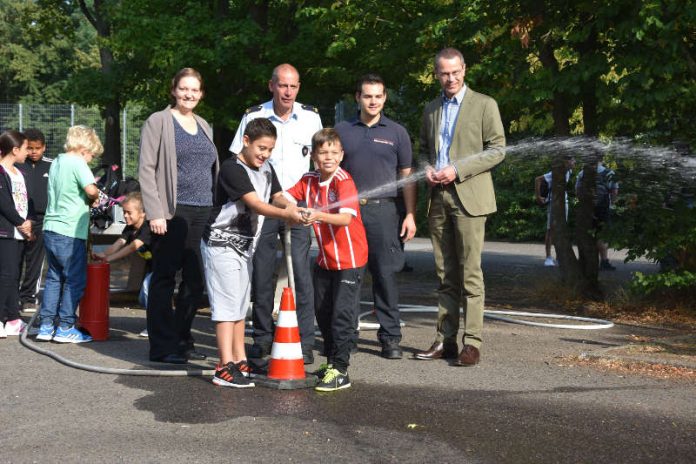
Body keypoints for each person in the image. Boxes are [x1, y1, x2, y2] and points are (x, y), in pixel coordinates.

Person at [414, 47, 506, 366]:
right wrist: (426, 168)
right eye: (444, 73)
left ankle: (473, 342)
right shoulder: (429, 109)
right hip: (438, 198)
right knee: (445, 274)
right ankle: (445, 340)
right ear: (436, 74)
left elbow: (498, 150)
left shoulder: (485, 104)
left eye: (455, 72)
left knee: (470, 274)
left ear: (464, 70)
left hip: (470, 197)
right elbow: (424, 150)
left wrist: (458, 169)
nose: (450, 78)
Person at [230, 63, 322, 364]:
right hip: (263, 206)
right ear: (272, 86)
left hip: (297, 207)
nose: (288, 92)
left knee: (301, 273)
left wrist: (309, 204)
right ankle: (263, 338)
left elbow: (321, 161)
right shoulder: (253, 116)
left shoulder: (311, 117)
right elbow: (237, 159)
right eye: (282, 85)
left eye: (293, 86)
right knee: (263, 273)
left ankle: (305, 341)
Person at [203, 118, 302, 388]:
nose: (265, 154)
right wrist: (287, 214)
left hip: (246, 246)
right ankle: (224, 366)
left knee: (238, 305)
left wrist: (294, 206)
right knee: (225, 307)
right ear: (245, 141)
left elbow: (277, 195)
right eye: (261, 148)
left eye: (270, 149)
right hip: (221, 244)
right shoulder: (232, 169)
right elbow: (255, 204)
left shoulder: (267, 168)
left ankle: (239, 359)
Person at [138, 67, 219, 364]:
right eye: (184, 89)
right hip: (172, 211)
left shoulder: (203, 124)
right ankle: (162, 346)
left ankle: (182, 338)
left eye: (195, 90)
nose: (189, 94)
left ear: (201, 94)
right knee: (164, 277)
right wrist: (155, 213)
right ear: (173, 90)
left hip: (201, 211)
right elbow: (146, 169)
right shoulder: (158, 121)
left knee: (195, 281)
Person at [335, 73, 416, 359]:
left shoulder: (397, 133)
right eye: (367, 95)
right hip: (350, 213)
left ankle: (390, 337)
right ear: (357, 97)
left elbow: (407, 177)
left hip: (385, 212)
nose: (373, 101)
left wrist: (410, 214)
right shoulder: (342, 130)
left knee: (385, 276)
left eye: (378, 95)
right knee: (349, 277)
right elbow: (331, 173)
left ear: (385, 98)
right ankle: (347, 337)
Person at [284, 128, 368, 391]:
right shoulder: (308, 179)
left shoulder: (344, 181)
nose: (328, 157)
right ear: (314, 157)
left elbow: (344, 219)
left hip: (350, 260)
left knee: (342, 314)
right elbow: (283, 196)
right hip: (325, 259)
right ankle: (331, 363)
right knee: (322, 311)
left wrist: (316, 215)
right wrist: (291, 208)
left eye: (333, 152)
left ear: (341, 155)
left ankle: (341, 371)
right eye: (323, 152)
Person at [36, 126, 102, 343]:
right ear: (85, 148)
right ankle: (65, 326)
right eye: (92, 155)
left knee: (54, 278)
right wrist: (95, 198)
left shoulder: (57, 161)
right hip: (70, 229)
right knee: (75, 279)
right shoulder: (78, 162)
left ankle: (46, 326)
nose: (91, 160)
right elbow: (92, 190)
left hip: (51, 226)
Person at [91, 192, 152, 335]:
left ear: (142, 213)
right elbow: (119, 243)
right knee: (144, 298)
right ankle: (162, 323)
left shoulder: (147, 227)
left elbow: (133, 246)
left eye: (129, 213)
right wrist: (104, 254)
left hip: (163, 267)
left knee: (149, 292)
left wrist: (109, 259)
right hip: (152, 267)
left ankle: (155, 326)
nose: (125, 216)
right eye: (124, 212)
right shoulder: (130, 228)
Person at [0, 131, 32, 338]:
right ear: (15, 149)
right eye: (26, 148)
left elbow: (25, 200)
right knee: (6, 276)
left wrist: (29, 221)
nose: (28, 152)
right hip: (6, 232)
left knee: (14, 277)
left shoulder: (19, 172)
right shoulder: (1, 172)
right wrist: (21, 223)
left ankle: (13, 319)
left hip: (20, 233)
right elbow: (3, 204)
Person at [16, 129, 51, 314]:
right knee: (14, 260)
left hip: (42, 220)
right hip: (18, 220)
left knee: (35, 262)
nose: (34, 152)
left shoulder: (52, 166)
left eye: (38, 148)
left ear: (44, 147)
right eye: (29, 148)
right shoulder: (18, 164)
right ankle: (11, 296)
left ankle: (29, 297)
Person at [575, 158, 619, 271]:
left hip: (587, 208)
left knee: (588, 233)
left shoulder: (582, 173)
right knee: (602, 234)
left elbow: (578, 190)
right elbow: (614, 191)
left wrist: (583, 204)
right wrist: (612, 204)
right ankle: (604, 261)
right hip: (603, 207)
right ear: (602, 159)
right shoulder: (609, 172)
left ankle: (586, 262)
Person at [535, 156, 575, 266]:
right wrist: (538, 196)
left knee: (561, 230)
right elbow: (538, 179)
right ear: (566, 162)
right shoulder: (555, 173)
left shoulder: (569, 171)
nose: (574, 162)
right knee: (551, 230)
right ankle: (548, 258)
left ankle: (559, 257)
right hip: (553, 203)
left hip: (564, 203)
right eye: (572, 160)